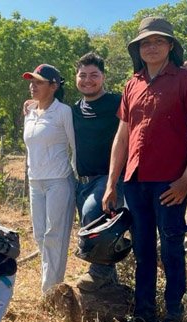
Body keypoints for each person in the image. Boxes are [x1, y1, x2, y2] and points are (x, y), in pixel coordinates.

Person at [102, 17, 187, 322]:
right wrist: (112, 184)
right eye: (145, 42)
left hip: (170, 181)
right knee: (143, 248)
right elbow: (122, 137)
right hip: (135, 181)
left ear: (170, 46)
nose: (152, 47)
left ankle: (174, 312)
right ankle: (144, 310)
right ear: (137, 48)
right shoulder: (132, 84)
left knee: (172, 246)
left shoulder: (186, 81)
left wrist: (186, 179)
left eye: (159, 41)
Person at [70, 53, 125, 291]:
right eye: (83, 75)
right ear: (76, 78)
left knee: (95, 215)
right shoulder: (72, 110)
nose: (88, 80)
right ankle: (108, 280)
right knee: (93, 227)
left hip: (110, 178)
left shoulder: (118, 103)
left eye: (94, 75)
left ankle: (99, 272)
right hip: (81, 181)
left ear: (103, 77)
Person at [22, 64, 77, 293]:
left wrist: (77, 177)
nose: (33, 86)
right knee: (39, 235)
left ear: (53, 86)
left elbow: (75, 146)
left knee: (55, 235)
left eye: (39, 82)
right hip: (36, 182)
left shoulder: (64, 112)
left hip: (58, 180)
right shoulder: (30, 113)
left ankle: (50, 289)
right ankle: (49, 283)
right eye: (31, 82)